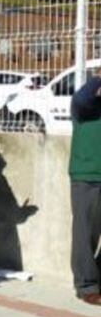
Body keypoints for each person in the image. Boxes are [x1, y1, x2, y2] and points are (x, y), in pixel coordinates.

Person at [70, 70, 101, 305]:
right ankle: (87, 285)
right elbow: (82, 98)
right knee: (86, 234)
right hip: (88, 176)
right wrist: (98, 80)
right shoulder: (86, 105)